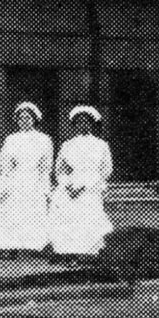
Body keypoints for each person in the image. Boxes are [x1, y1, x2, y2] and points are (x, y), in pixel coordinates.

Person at [0, 100, 54, 257]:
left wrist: (44, 186)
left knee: (32, 212)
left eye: (28, 118)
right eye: (21, 118)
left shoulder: (44, 139)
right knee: (12, 211)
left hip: (34, 179)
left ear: (34, 120)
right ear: (17, 120)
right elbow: (4, 161)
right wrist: (6, 180)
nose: (24, 121)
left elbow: (46, 166)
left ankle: (33, 248)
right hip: (16, 179)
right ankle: (12, 247)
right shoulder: (12, 139)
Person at [47, 106, 113, 259]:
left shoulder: (101, 145)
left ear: (92, 124)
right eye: (79, 122)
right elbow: (60, 170)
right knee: (65, 213)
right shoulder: (67, 145)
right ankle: (67, 252)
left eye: (87, 122)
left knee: (88, 213)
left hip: (92, 185)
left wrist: (87, 185)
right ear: (74, 125)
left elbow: (106, 170)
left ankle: (89, 252)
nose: (83, 125)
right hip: (71, 184)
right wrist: (67, 185)